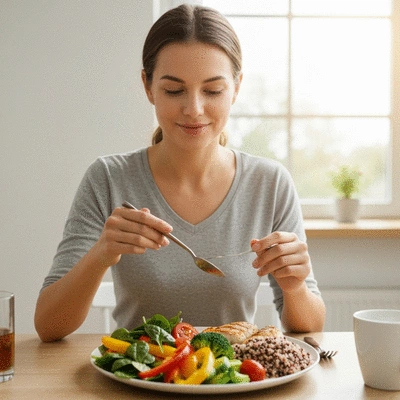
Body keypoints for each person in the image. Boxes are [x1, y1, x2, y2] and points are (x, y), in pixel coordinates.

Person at [34, 4, 325, 342]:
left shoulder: (270, 183)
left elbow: (310, 327)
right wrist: (102, 254)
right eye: (174, 90)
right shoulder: (107, 178)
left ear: (236, 87)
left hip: (229, 385)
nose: (194, 109)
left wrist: (295, 286)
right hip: (136, 380)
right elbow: (48, 325)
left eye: (213, 90)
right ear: (148, 86)